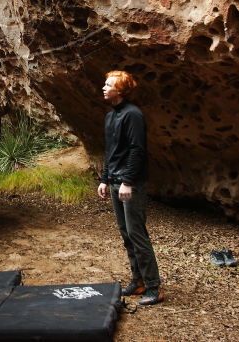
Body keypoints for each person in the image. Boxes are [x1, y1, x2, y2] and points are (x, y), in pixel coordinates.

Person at [97, 70, 162, 305]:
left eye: (108, 85)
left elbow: (137, 150)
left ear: (121, 91)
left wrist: (127, 181)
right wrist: (104, 179)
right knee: (126, 233)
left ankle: (154, 286)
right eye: (105, 84)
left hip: (128, 183)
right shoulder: (110, 116)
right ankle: (139, 281)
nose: (104, 87)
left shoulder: (133, 115)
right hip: (115, 181)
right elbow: (111, 152)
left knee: (137, 233)